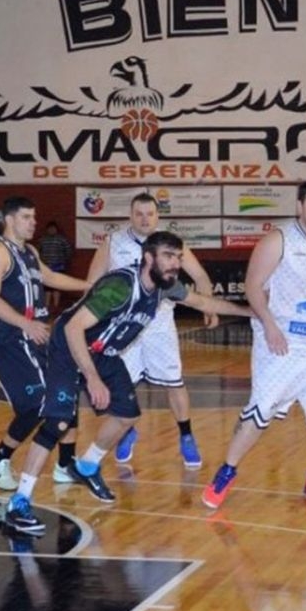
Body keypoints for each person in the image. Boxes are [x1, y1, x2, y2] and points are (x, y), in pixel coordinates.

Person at [3, 231, 253, 533]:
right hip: (68, 347)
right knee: (58, 422)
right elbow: (73, 329)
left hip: (103, 352)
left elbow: (202, 301)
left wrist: (251, 312)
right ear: (148, 258)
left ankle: (87, 466)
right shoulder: (120, 286)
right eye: (168, 257)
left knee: (127, 414)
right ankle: (19, 502)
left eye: (178, 257)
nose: (175, 264)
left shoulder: (164, 287)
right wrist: (92, 378)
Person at [202, 178, 306, 509]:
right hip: (280, 339)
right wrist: (269, 324)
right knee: (261, 409)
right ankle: (227, 471)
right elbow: (252, 285)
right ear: (299, 206)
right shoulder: (278, 240)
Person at [86, 192, 217, 469]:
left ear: (158, 216)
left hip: (159, 323)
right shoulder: (113, 242)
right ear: (130, 216)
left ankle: (186, 436)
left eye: (150, 214)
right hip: (123, 325)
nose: (144, 219)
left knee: (174, 382)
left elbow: (201, 276)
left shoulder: (171, 244)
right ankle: (128, 430)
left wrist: (208, 306)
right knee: (124, 384)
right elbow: (92, 284)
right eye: (139, 214)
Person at [0, 196, 91, 491]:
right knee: (40, 403)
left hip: (37, 337)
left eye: (34, 217)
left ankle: (65, 464)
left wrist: (89, 287)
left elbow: (49, 277)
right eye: (27, 217)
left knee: (66, 391)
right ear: (9, 219)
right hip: (10, 339)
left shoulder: (29, 251)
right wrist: (25, 323)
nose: (33, 223)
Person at [38, 221, 72, 312]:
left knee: (56, 286)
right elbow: (38, 252)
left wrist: (63, 261)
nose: (51, 230)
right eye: (50, 229)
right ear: (47, 230)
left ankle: (56, 306)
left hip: (58, 266)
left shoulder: (62, 240)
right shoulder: (42, 240)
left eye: (53, 229)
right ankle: (47, 306)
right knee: (47, 287)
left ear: (56, 229)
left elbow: (68, 250)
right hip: (46, 267)